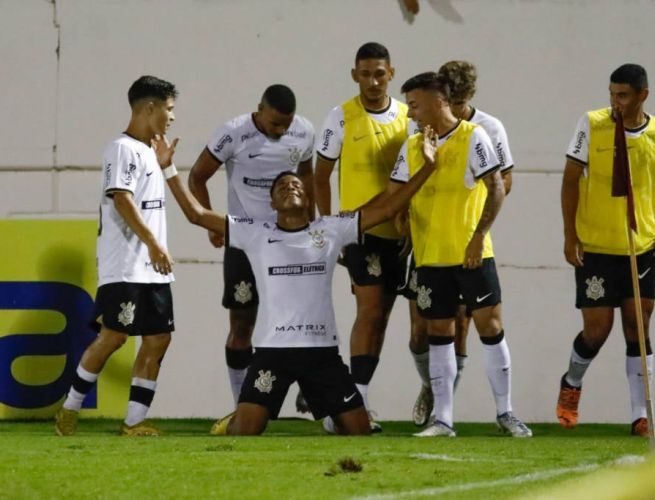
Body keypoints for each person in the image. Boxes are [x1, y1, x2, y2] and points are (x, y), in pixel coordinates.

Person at [158, 126, 440, 435]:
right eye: (280, 188)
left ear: (307, 200)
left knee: (360, 431)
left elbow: (387, 207)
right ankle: (234, 420)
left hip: (321, 352)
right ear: (272, 205)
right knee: (245, 433)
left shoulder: (331, 229)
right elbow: (197, 214)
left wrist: (427, 168)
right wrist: (168, 168)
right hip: (272, 351)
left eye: (295, 185)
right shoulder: (254, 232)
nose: (289, 188)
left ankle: (332, 413)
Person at [386, 71, 532, 438]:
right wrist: (401, 216)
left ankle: (506, 413)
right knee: (439, 332)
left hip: (471, 254)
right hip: (430, 256)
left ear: (439, 102)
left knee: (490, 328)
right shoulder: (413, 145)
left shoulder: (474, 137)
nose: (410, 114)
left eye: (415, 105)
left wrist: (478, 236)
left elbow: (496, 187)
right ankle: (444, 420)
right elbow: (395, 193)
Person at [557, 63, 655, 438]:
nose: (615, 102)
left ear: (643, 95)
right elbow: (571, 178)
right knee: (597, 330)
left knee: (637, 327)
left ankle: (642, 417)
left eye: (623, 95)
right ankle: (572, 380)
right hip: (596, 246)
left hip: (640, 246)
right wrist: (569, 234)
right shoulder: (592, 124)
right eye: (611, 93)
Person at [54, 75, 179, 436]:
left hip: (153, 269)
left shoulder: (150, 152)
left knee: (158, 339)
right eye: (169, 110)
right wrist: (155, 244)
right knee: (114, 337)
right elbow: (122, 200)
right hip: (125, 264)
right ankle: (69, 409)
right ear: (150, 107)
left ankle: (134, 422)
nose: (172, 118)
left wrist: (166, 164)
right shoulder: (121, 148)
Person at [187, 85, 314, 433]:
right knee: (242, 324)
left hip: (289, 239)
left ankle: (315, 388)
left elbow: (306, 178)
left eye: (285, 125)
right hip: (244, 241)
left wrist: (312, 226)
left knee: (301, 317)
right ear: (259, 110)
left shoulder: (304, 131)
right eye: (275, 124)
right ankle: (240, 403)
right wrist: (214, 226)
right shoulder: (233, 132)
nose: (281, 131)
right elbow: (197, 175)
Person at [313, 42, 414, 431]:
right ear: (354, 74)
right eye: (365, 73)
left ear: (391, 73)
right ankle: (352, 406)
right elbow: (320, 175)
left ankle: (357, 399)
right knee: (369, 312)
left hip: (401, 234)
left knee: (383, 318)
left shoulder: (409, 117)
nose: (372, 81)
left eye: (379, 73)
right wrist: (330, 229)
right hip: (361, 232)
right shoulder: (341, 117)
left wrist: (410, 221)